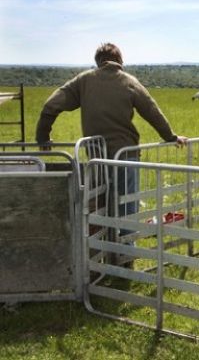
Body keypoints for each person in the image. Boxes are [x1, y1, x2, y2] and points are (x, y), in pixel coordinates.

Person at [36, 43, 188, 262]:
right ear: (120, 61)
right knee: (127, 206)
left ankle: (102, 255)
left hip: (97, 157)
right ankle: (126, 257)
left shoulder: (84, 81)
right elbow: (152, 111)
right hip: (125, 155)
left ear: (98, 61)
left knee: (100, 205)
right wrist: (171, 137)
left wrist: (43, 136)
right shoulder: (129, 82)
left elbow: (51, 105)